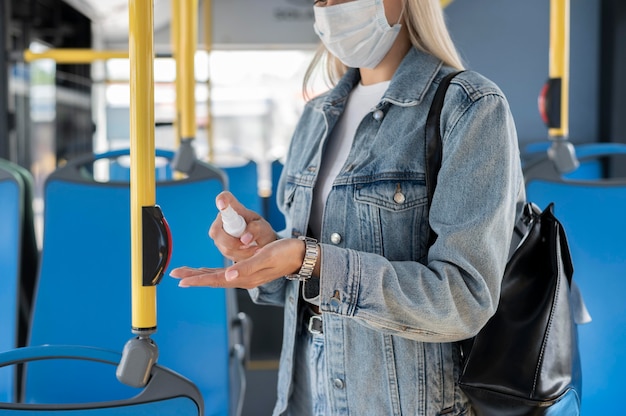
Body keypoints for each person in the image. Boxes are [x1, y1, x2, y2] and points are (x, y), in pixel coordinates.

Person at [170, 0, 525, 414]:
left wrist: (314, 260)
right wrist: (265, 253)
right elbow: (303, 281)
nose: (330, 7)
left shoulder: (469, 107)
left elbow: (463, 299)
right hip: (306, 391)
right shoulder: (316, 115)